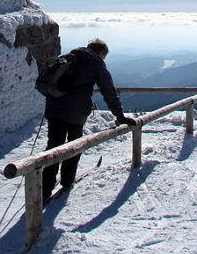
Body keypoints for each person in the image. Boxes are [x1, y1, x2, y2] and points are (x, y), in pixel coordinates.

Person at [42, 38, 137, 199]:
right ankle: (67, 180)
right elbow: (109, 91)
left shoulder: (70, 56)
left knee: (53, 146)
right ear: (101, 53)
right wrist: (119, 116)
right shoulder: (96, 63)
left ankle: (44, 189)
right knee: (74, 146)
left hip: (54, 108)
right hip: (75, 113)